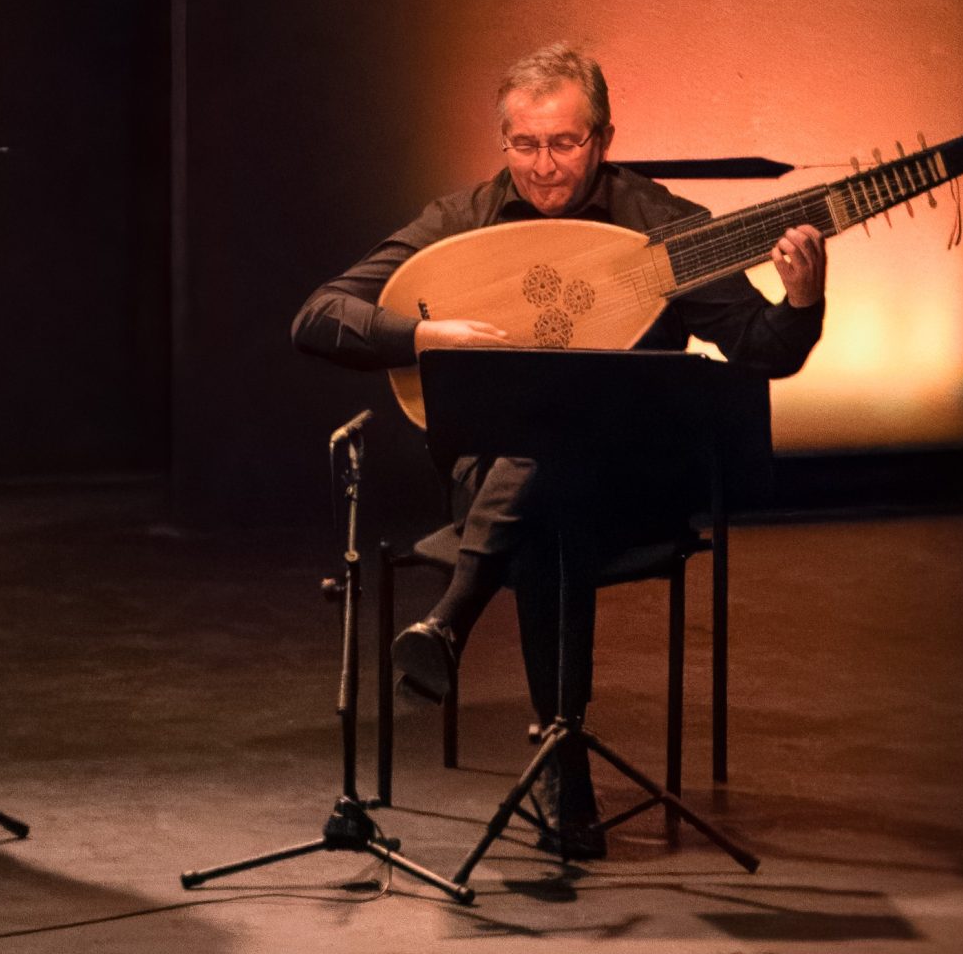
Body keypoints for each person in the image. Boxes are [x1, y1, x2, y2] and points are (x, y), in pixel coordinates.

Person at [290, 43, 828, 857]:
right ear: (503, 141)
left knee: (558, 465)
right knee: (546, 484)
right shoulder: (464, 221)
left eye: (566, 144)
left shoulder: (661, 226)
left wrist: (801, 298)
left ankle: (457, 628)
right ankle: (561, 754)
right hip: (500, 485)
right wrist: (426, 334)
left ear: (603, 138)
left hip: (631, 486)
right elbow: (320, 316)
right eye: (526, 144)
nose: (544, 166)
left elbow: (762, 349)